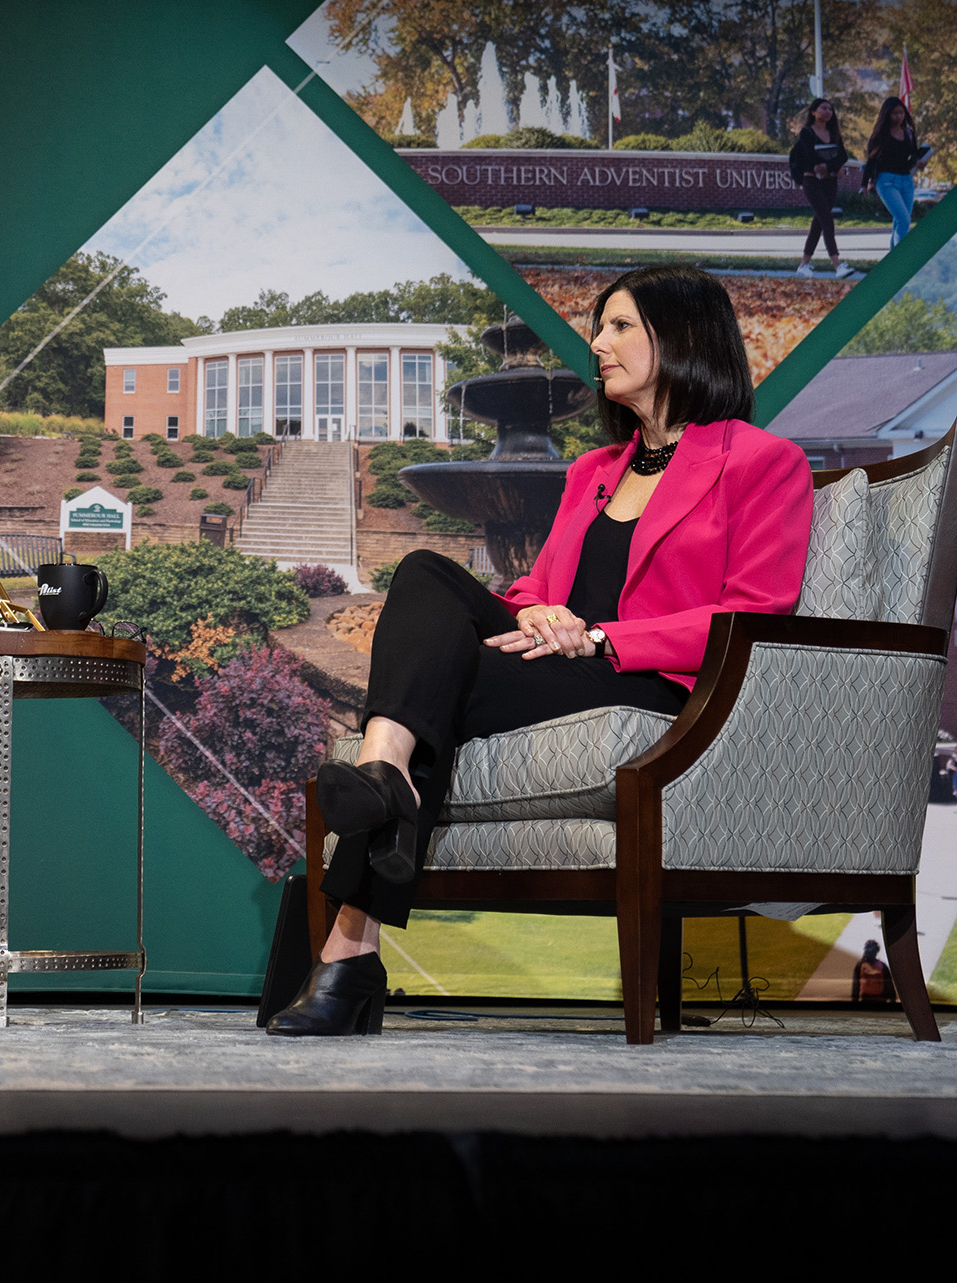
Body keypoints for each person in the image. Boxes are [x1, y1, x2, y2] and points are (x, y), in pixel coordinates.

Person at [268, 264, 813, 1035]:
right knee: (425, 574)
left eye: (620, 326)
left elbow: (753, 614)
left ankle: (350, 957)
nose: (598, 343)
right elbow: (533, 589)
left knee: (434, 682)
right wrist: (545, 612)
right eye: (602, 327)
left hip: (652, 685)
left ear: (685, 336)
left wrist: (598, 635)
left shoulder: (762, 462)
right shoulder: (594, 469)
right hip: (552, 662)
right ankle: (385, 772)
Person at [788, 97, 852, 277]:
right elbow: (808, 155)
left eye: (830, 109)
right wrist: (823, 166)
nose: (827, 112)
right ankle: (838, 265)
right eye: (823, 108)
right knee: (827, 220)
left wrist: (831, 168)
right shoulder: (807, 132)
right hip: (812, 180)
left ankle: (803, 265)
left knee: (818, 224)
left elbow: (843, 156)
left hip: (830, 182)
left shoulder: (834, 133)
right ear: (813, 112)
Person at [863, 96, 921, 247]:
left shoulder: (908, 133)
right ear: (887, 114)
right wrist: (865, 184)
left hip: (907, 181)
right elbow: (871, 161)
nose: (899, 116)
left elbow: (912, 156)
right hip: (887, 181)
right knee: (904, 220)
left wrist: (919, 162)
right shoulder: (880, 136)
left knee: (900, 221)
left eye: (901, 112)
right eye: (895, 113)